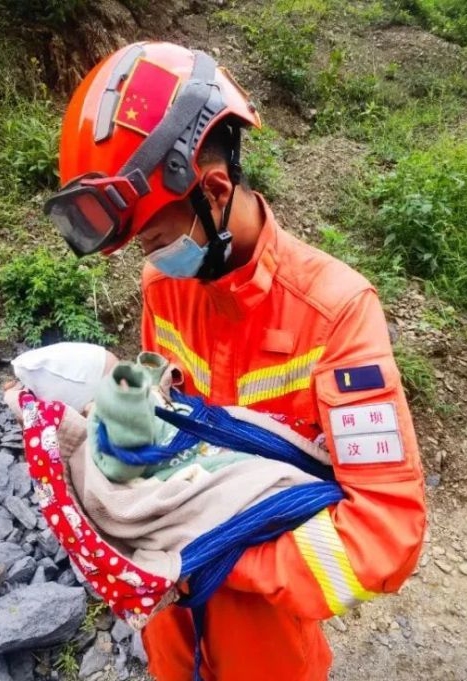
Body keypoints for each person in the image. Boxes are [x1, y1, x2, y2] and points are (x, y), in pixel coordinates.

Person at [43, 41, 426, 681]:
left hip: (268, 648)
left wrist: (218, 556)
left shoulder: (336, 312)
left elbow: (385, 530)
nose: (154, 260)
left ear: (214, 191)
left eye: (158, 239)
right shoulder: (165, 288)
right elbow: (167, 426)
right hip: (172, 629)